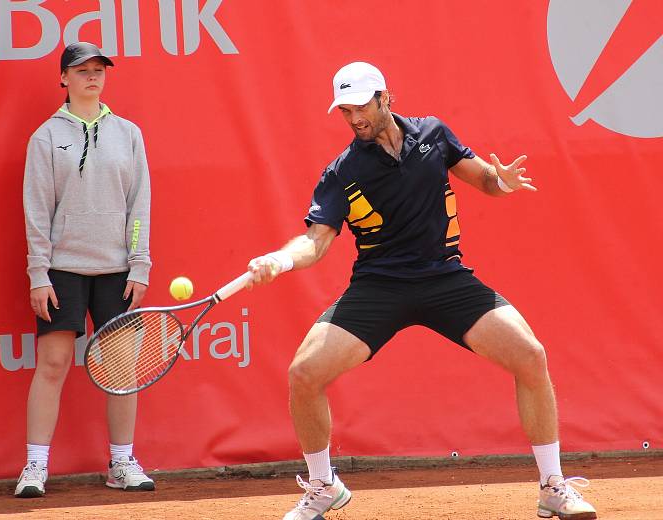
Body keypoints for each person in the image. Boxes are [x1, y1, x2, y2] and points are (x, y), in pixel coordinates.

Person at [246, 62, 597, 520]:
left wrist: (501, 182)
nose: (353, 119)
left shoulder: (434, 134)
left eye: (360, 108)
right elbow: (316, 239)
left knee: (530, 355)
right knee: (303, 374)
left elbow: (485, 181)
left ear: (385, 98)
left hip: (444, 278)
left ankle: (552, 487)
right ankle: (323, 485)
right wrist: (281, 259)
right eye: (344, 111)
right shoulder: (343, 171)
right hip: (380, 285)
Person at [15, 42, 154, 498]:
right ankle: (35, 467)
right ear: (64, 79)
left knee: (120, 369)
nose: (93, 77)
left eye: (99, 70)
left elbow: (139, 207)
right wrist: (39, 272)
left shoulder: (129, 134)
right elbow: (37, 210)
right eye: (82, 71)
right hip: (62, 270)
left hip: (117, 270)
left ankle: (121, 462)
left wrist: (139, 263)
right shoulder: (44, 137)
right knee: (53, 364)